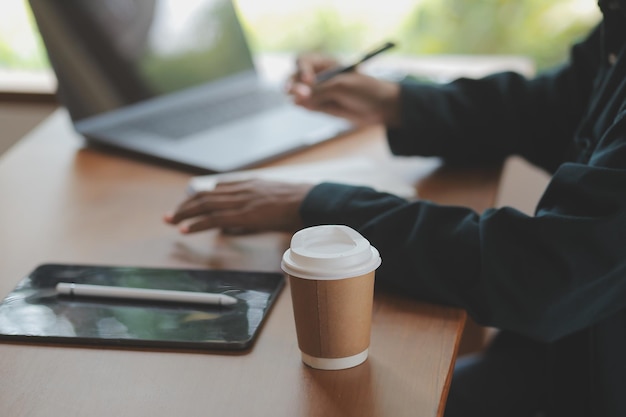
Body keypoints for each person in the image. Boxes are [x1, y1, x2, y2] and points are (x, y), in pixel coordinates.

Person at [164, 1, 626, 415]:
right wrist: (397, 101)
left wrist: (322, 206)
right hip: (560, 362)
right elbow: (555, 106)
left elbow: (547, 273)